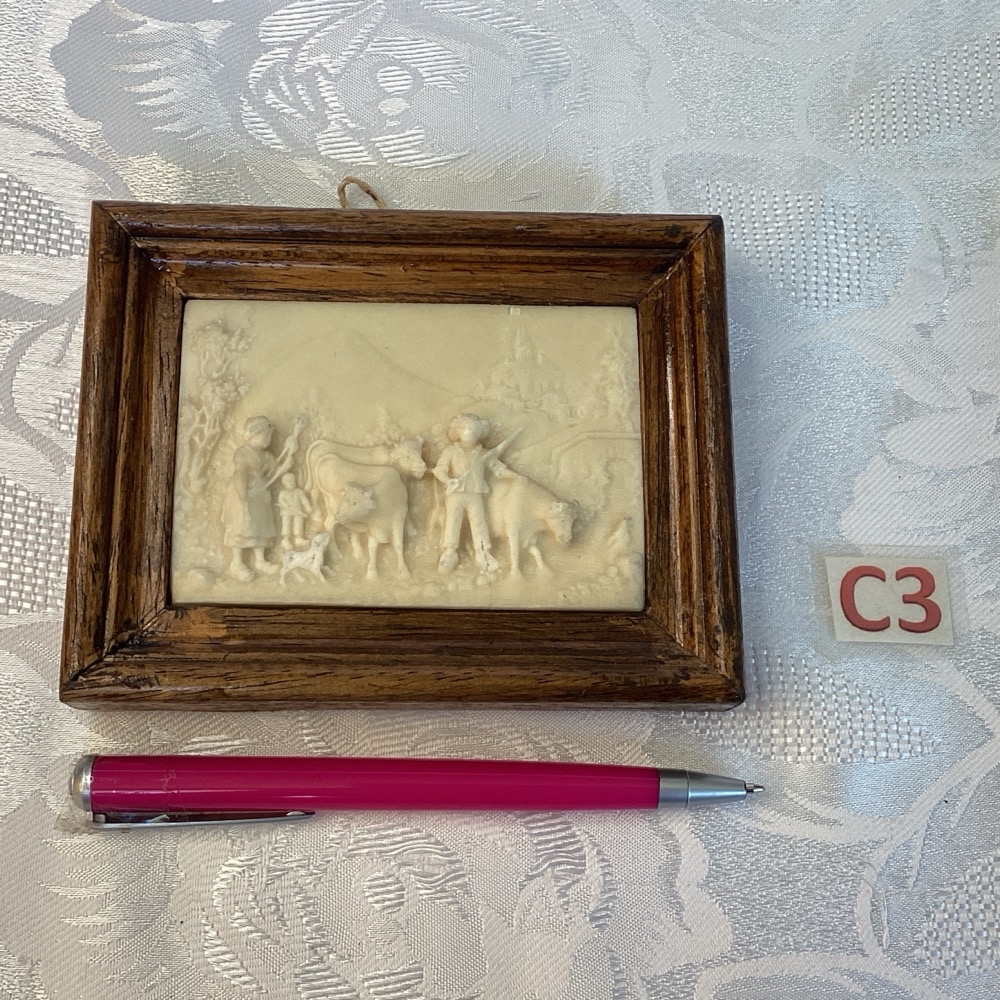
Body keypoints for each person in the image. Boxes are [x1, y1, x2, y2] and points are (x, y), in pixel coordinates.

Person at [432, 413, 516, 573]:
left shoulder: (483, 454)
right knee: (453, 520)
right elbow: (439, 470)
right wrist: (448, 480)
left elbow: (498, 469)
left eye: (473, 429)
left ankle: (482, 553)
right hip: (456, 493)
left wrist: (516, 477)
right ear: (457, 431)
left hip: (475, 494)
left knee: (479, 522)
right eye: (465, 428)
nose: (469, 432)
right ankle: (449, 552)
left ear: (479, 432)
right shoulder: (451, 451)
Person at [222, 416, 281, 580]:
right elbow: (240, 474)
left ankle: (260, 560)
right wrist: (243, 496)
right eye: (265, 436)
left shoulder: (266, 456)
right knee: (241, 525)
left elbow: (274, 470)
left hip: (260, 496)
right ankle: (236, 563)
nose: (268, 440)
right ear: (252, 435)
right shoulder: (243, 453)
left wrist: (282, 464)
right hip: (243, 494)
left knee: (260, 526)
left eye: (270, 436)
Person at [277, 472, 313, 549]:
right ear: (284, 483)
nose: (292, 483)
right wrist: (285, 504)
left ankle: (298, 538)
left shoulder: (299, 491)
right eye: (289, 481)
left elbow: (304, 500)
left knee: (298, 522)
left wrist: (308, 506)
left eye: (293, 480)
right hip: (287, 512)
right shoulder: (283, 493)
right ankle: (286, 539)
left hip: (298, 512)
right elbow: (281, 500)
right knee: (286, 524)